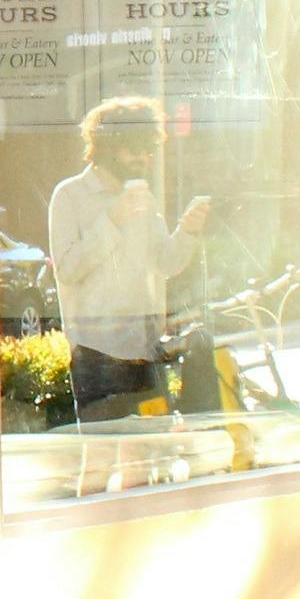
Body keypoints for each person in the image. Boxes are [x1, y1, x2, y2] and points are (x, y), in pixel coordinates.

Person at [46, 96, 209, 420]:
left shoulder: (141, 196)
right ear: (108, 146)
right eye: (134, 149)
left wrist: (187, 231)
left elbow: (165, 264)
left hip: (146, 350)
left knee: (151, 460)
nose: (143, 159)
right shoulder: (70, 196)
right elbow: (67, 270)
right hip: (97, 354)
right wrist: (113, 220)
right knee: (101, 460)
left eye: (148, 150)